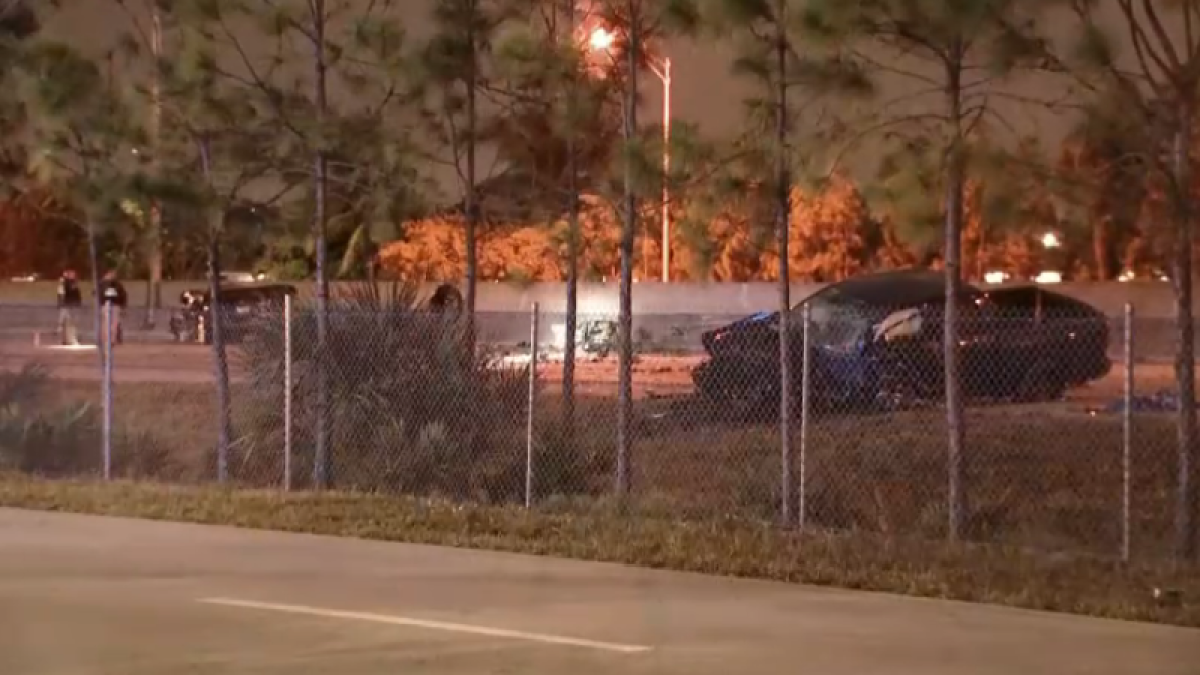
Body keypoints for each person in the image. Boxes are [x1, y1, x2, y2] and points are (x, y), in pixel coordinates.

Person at [98, 270, 129, 345]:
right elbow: (98, 294)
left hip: (115, 305)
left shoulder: (117, 284)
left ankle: (111, 340)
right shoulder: (102, 284)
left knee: (114, 323)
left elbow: (123, 295)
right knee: (106, 323)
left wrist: (123, 306)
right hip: (106, 305)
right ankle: (105, 339)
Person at [56, 269, 82, 346]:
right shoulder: (65, 283)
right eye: (71, 274)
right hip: (67, 305)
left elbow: (77, 294)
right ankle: (66, 340)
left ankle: (70, 339)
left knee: (71, 323)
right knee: (65, 322)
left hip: (71, 305)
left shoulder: (74, 283)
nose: (73, 275)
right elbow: (61, 294)